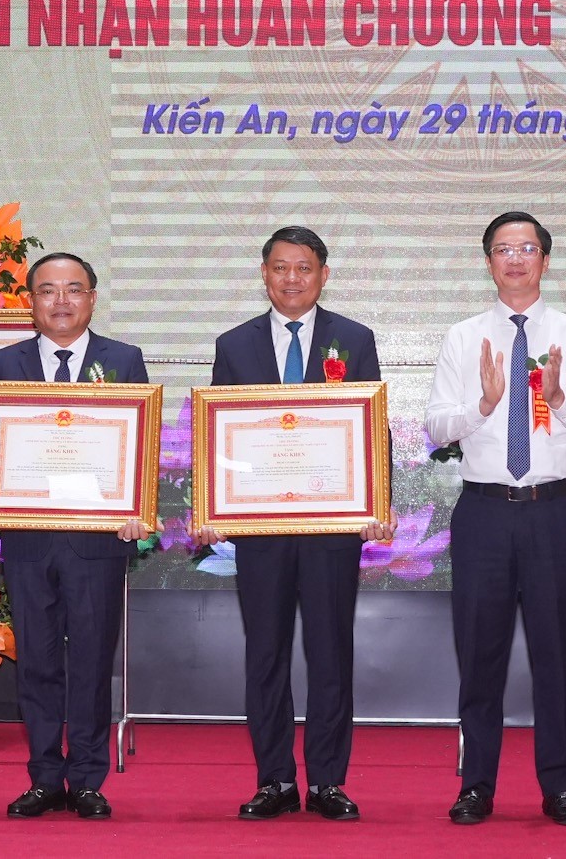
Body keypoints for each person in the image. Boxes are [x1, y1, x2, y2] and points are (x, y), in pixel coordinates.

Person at [424, 212, 566, 828]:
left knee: (555, 655)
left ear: (545, 261)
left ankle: (561, 787)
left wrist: (557, 398)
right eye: (503, 249)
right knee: (480, 655)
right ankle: (475, 785)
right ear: (488, 262)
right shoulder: (462, 338)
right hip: (483, 512)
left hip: (552, 511)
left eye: (527, 248)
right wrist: (483, 404)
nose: (515, 259)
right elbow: (437, 427)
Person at [201, 226, 390, 822]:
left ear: (323, 275)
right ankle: (275, 779)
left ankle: (328, 781)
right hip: (261, 530)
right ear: (264, 273)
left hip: (331, 529)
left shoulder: (353, 339)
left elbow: (372, 424)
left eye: (304, 268)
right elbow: (219, 433)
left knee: (331, 652)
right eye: (280, 267)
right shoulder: (234, 344)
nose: (291, 278)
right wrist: (212, 507)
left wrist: (376, 500)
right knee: (266, 655)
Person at [0, 252, 152, 820]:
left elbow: (138, 444)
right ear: (32, 302)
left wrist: (137, 508)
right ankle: (45, 777)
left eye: (74, 289)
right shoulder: (6, 362)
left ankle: (88, 779)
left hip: (97, 541)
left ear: (92, 298)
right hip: (29, 540)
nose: (62, 300)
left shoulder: (123, 360)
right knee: (38, 662)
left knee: (92, 662)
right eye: (48, 290)